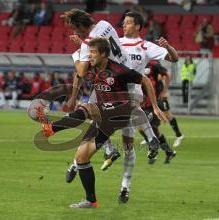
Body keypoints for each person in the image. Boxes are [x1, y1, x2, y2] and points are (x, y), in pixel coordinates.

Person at [36, 37, 166, 208]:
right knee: (82, 157)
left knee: (88, 108)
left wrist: (155, 107)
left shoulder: (119, 70)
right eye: (89, 52)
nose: (89, 56)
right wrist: (81, 44)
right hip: (104, 115)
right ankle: (91, 200)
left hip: (120, 112)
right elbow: (79, 73)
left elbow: (146, 81)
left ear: (104, 54)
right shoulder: (93, 67)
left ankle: (51, 128)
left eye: (93, 52)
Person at [65, 10, 179, 203]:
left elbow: (173, 59)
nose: (124, 25)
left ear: (138, 26)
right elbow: (97, 48)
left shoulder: (145, 46)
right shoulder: (110, 34)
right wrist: (84, 46)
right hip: (106, 86)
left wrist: (168, 47)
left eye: (128, 22)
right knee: (90, 113)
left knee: (126, 142)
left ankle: (125, 184)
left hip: (127, 88)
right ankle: (94, 155)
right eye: (124, 21)